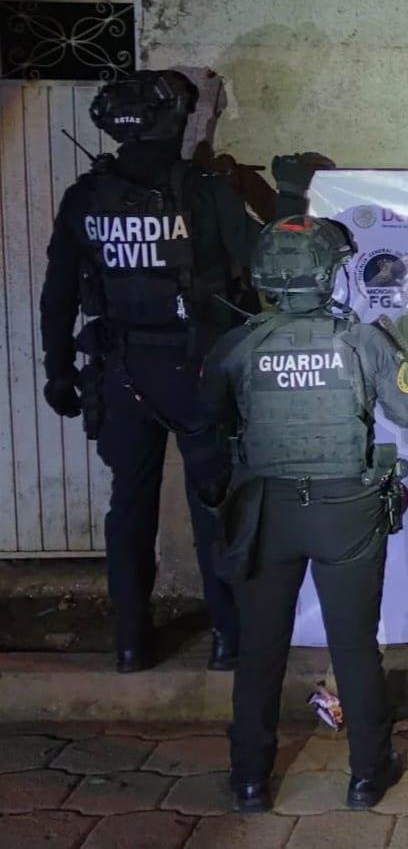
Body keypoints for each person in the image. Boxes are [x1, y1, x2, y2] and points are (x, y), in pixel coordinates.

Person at [38, 69, 257, 673]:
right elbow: (261, 264)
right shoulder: (206, 191)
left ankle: (131, 644)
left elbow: (58, 294)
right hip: (197, 370)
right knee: (214, 504)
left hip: (119, 371)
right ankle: (228, 639)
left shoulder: (87, 196)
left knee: (129, 509)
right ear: (175, 121)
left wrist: (59, 370)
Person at [202, 215, 408, 812]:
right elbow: (406, 413)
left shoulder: (238, 343)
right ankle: (366, 776)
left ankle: (250, 780)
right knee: (353, 646)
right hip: (344, 511)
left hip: (266, 510)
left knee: (260, 649)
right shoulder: (362, 340)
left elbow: (208, 417)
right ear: (327, 275)